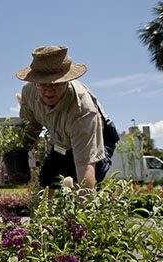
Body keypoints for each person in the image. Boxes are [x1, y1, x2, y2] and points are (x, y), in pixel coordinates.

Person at [16, 45, 116, 193]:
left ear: (67, 80)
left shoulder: (82, 110)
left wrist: (84, 211)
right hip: (61, 143)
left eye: (56, 83)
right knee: (46, 183)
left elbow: (85, 165)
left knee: (78, 185)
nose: (49, 90)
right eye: (43, 84)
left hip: (96, 137)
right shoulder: (29, 92)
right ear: (35, 81)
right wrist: (20, 150)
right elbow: (31, 125)